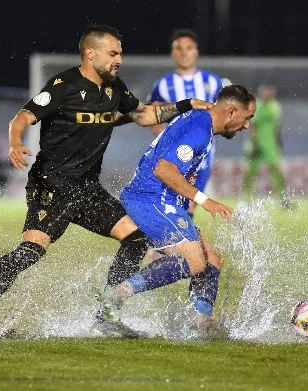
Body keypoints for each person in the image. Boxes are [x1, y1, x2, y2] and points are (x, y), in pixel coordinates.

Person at [0, 25, 212, 336]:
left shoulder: (114, 88)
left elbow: (145, 115)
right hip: (52, 186)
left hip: (88, 189)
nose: (119, 58)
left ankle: (106, 314)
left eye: (120, 52)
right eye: (113, 53)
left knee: (136, 237)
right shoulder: (63, 85)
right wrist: (15, 142)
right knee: (30, 252)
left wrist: (187, 104)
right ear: (91, 54)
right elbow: (22, 117)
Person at [99, 85, 256, 337]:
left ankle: (199, 325)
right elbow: (163, 169)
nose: (247, 125)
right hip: (149, 198)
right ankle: (115, 296)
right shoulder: (199, 128)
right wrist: (206, 200)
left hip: (164, 200)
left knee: (212, 259)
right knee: (193, 261)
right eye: (247, 117)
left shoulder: (202, 123)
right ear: (232, 111)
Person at [148, 29, 226, 217]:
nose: (184, 52)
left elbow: (224, 115)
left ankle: (167, 245)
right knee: (170, 207)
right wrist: (167, 139)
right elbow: (152, 116)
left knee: (188, 208)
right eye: (179, 48)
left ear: (197, 51)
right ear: (173, 53)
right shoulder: (163, 85)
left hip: (202, 161)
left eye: (189, 48)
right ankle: (165, 245)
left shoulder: (214, 82)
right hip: (173, 159)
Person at [242, 85, 286, 200]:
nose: (268, 93)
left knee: (276, 169)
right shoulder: (257, 106)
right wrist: (254, 143)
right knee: (251, 171)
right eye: (266, 91)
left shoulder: (276, 106)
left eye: (270, 91)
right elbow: (252, 125)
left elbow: (277, 126)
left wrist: (279, 141)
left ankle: (283, 198)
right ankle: (245, 198)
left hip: (270, 144)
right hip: (257, 144)